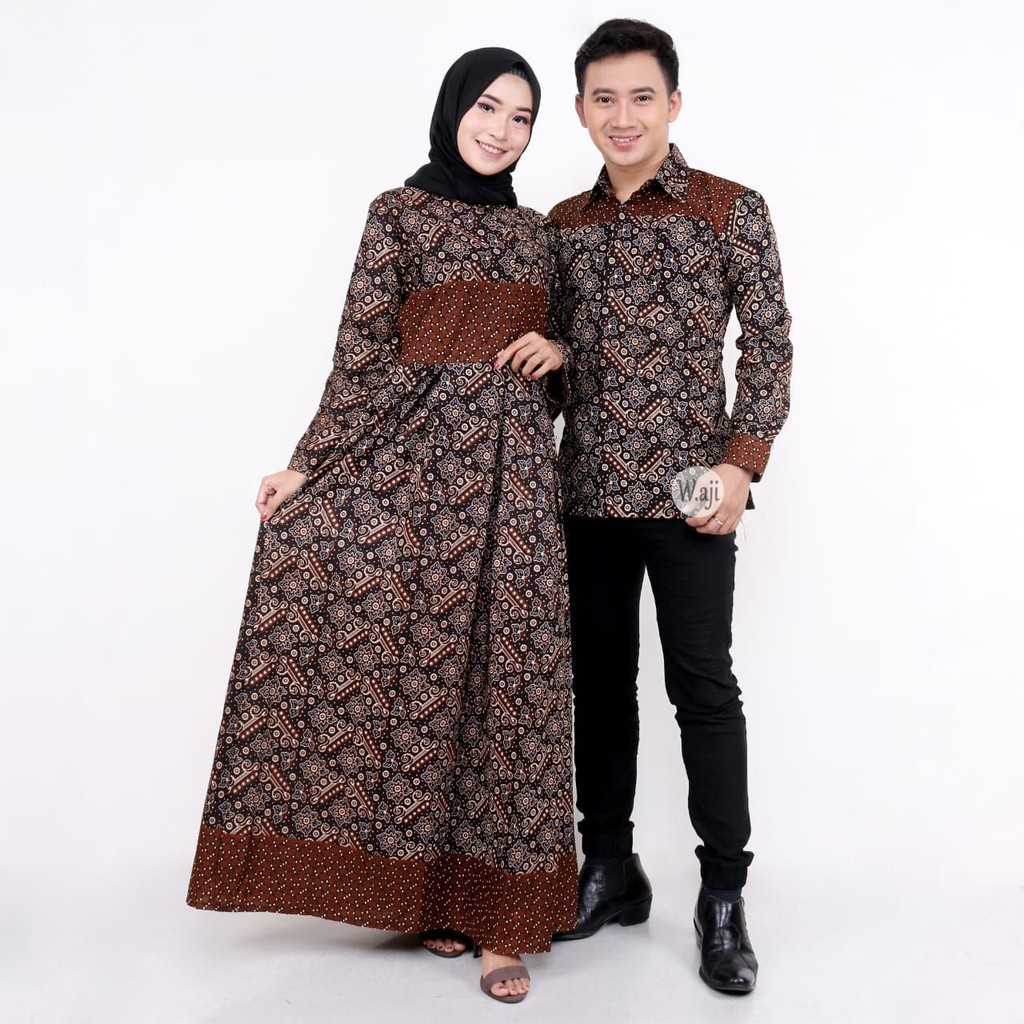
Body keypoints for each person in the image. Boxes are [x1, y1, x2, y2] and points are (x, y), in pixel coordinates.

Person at [186, 47, 577, 1005]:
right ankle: (434, 896)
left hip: (517, 481)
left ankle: (504, 923)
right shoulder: (396, 213)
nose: (501, 130)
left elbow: (578, 366)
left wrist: (560, 348)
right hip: (414, 471)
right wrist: (307, 466)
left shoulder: (541, 233)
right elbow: (359, 356)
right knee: (423, 681)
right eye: (487, 108)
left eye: (522, 117)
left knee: (512, 681)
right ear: (453, 108)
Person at [546, 19, 793, 995]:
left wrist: (740, 465)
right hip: (586, 495)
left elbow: (768, 347)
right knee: (599, 690)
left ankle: (722, 896)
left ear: (673, 103)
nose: (623, 116)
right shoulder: (559, 227)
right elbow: (550, 370)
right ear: (580, 109)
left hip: (693, 499)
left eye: (640, 96)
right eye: (603, 98)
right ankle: (609, 868)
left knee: (703, 689)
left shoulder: (732, 209)